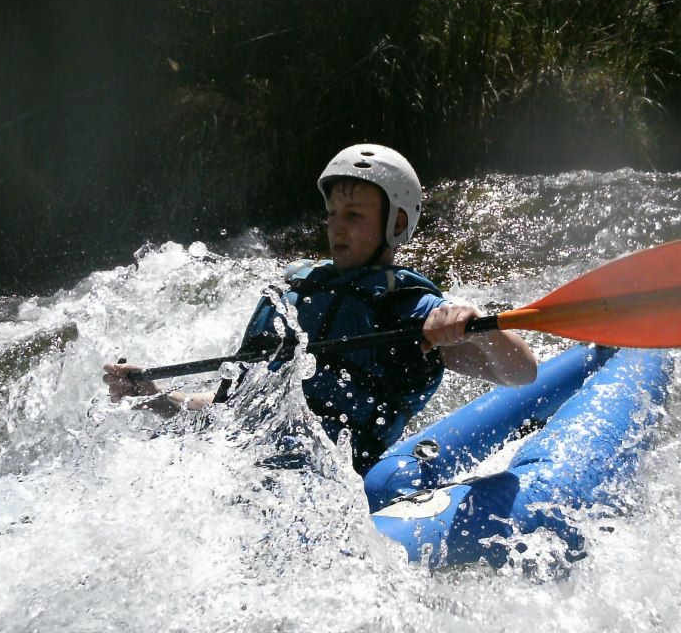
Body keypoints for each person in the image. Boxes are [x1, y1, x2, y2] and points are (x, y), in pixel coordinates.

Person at [104, 144, 536, 472]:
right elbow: (232, 408)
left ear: (397, 223)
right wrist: (157, 398)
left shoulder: (412, 309)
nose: (335, 227)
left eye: (353, 215)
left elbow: (521, 372)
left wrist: (478, 324)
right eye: (331, 213)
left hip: (336, 483)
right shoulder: (296, 292)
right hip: (246, 466)